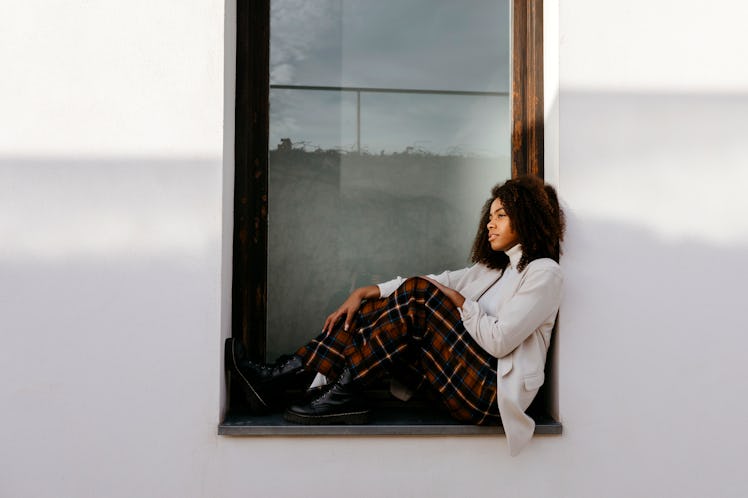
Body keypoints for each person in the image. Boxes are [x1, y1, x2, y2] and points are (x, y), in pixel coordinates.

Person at [226, 175, 565, 455]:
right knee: (377, 307)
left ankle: (340, 390)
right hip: (461, 380)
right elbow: (436, 282)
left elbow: (500, 340)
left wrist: (461, 303)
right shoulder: (491, 270)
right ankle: (281, 379)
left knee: (419, 295)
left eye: (501, 215)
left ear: (528, 218)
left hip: (491, 395)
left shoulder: (543, 273)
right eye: (489, 216)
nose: (490, 224)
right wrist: (366, 291)